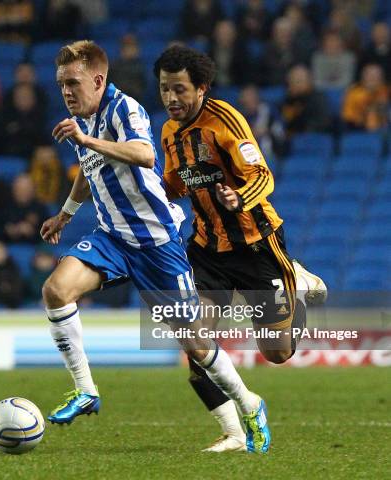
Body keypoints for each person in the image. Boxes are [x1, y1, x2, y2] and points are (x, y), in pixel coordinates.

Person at [40, 40, 270, 453]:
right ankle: (86, 390)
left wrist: (88, 142)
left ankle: (248, 405)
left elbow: (145, 155)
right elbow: (86, 172)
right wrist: (65, 215)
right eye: (61, 85)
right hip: (113, 237)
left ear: (97, 80)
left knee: (195, 345)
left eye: (73, 83)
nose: (67, 92)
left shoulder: (124, 109)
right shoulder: (81, 122)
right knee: (55, 290)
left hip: (155, 244)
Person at [154, 45, 327, 452]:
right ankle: (233, 431)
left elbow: (263, 176)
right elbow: (175, 185)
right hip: (206, 251)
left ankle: (295, 284)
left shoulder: (226, 120)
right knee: (195, 344)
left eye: (179, 89)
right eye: (164, 90)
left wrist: (239, 199)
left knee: (278, 353)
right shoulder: (167, 133)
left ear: (202, 88)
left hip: (255, 246)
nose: (171, 99)